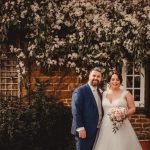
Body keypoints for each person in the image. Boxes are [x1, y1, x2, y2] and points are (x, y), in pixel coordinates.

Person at [93, 70, 143, 150]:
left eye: (117, 79)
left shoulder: (126, 93)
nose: (115, 82)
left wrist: (123, 115)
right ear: (109, 81)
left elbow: (133, 108)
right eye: (113, 79)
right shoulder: (103, 94)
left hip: (122, 125)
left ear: (120, 81)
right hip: (105, 126)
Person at [71, 67, 103, 150]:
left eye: (98, 76)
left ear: (101, 78)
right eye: (94, 75)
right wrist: (80, 128)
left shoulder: (100, 92)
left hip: (97, 130)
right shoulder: (80, 91)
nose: (96, 78)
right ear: (89, 76)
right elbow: (76, 111)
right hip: (84, 131)